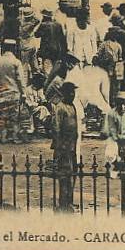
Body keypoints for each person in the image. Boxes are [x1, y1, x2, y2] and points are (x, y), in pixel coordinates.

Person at [52, 81, 79, 212]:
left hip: (72, 145)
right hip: (63, 146)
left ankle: (70, 201)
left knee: (72, 173)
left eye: (74, 92)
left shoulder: (72, 106)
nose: (73, 95)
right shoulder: (60, 107)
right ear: (64, 94)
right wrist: (59, 146)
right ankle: (63, 203)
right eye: (70, 92)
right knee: (64, 175)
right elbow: (56, 128)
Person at [35, 9, 67, 78]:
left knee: (46, 69)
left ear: (44, 17)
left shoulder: (43, 25)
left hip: (46, 50)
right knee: (55, 67)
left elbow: (36, 35)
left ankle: (47, 81)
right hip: (57, 50)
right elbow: (62, 38)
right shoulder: (58, 24)